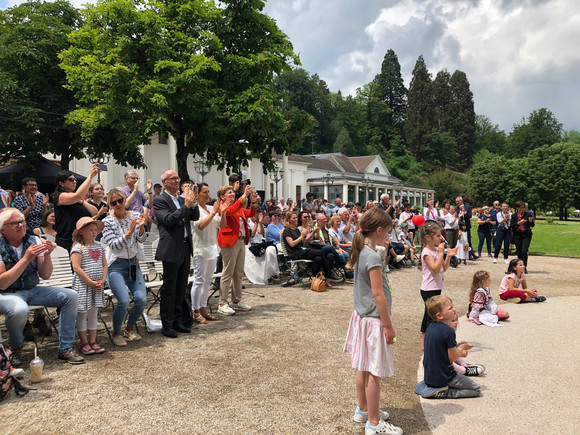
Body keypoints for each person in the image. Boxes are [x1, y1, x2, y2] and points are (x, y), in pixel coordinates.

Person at [342, 208, 403, 435]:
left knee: (362, 368)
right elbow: (378, 294)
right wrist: (388, 325)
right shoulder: (372, 256)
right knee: (374, 372)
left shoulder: (362, 251)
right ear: (379, 230)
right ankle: (374, 423)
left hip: (361, 318)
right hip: (373, 321)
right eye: (387, 232)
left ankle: (363, 409)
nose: (388, 236)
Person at [0, 208, 84, 364]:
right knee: (19, 309)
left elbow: (45, 275)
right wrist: (26, 259)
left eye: (22, 221)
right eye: (15, 223)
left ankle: (65, 348)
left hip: (32, 290)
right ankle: (14, 347)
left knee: (70, 296)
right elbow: (3, 283)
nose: (21, 225)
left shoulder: (34, 240)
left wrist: (47, 255)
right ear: (3, 229)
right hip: (7, 293)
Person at [153, 170, 199, 337]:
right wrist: (186, 206)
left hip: (185, 247)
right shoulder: (160, 201)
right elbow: (168, 220)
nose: (176, 181)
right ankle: (168, 324)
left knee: (181, 287)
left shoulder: (181, 199)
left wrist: (192, 203)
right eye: (172, 178)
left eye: (177, 178)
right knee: (169, 289)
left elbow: (194, 216)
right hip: (171, 248)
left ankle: (179, 321)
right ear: (164, 182)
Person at [102, 188, 149, 345]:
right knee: (123, 300)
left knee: (141, 299)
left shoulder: (135, 216)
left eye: (120, 200)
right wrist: (129, 232)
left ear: (125, 200)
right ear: (110, 204)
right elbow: (114, 246)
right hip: (115, 265)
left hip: (133, 263)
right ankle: (116, 333)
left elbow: (141, 240)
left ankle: (129, 329)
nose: (118, 204)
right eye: (114, 202)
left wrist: (141, 227)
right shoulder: (107, 222)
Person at [421, 295, 482, 398]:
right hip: (445, 376)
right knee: (476, 389)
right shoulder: (448, 331)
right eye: (450, 308)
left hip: (429, 376)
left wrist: (456, 346)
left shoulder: (430, 327)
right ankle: (446, 393)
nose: (454, 309)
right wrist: (462, 348)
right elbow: (453, 357)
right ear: (439, 316)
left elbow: (440, 350)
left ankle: (438, 388)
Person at [216, 184, 258, 316]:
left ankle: (237, 300)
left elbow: (251, 213)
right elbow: (230, 211)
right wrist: (244, 195)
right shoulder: (223, 207)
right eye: (229, 193)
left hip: (240, 241)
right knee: (227, 272)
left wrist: (253, 201)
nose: (232, 194)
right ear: (222, 196)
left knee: (238, 273)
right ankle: (222, 303)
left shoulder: (238, 208)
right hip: (229, 242)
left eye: (233, 193)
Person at [190, 183, 227, 324]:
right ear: (197, 194)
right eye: (204, 192)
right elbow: (200, 226)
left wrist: (222, 212)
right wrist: (214, 212)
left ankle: (203, 307)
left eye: (208, 191)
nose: (207, 195)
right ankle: (195, 310)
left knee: (207, 280)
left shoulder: (212, 208)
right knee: (198, 280)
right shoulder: (194, 209)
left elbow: (222, 225)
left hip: (212, 247)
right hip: (200, 248)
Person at [70, 217, 107, 355]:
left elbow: (104, 264)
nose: (94, 232)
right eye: (90, 230)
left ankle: (93, 340)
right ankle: (84, 342)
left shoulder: (99, 246)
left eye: (95, 230)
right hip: (83, 285)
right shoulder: (78, 248)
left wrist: (103, 279)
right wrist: (89, 282)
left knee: (93, 312)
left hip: (97, 285)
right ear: (81, 232)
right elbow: (77, 268)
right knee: (82, 313)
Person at [419, 221, 459, 348]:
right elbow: (435, 269)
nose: (440, 238)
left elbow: (443, 269)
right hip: (429, 288)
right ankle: (428, 342)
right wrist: (442, 253)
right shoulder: (426, 253)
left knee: (430, 315)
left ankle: (427, 342)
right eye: (437, 235)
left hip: (436, 287)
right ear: (428, 238)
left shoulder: (436, 250)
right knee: (431, 317)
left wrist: (447, 256)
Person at [282, 211, 342, 285]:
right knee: (321, 252)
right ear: (289, 220)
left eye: (296, 217)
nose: (296, 219)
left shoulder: (296, 230)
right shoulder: (287, 231)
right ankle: (328, 274)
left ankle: (315, 279)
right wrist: (302, 236)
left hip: (302, 250)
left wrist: (306, 235)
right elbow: (291, 244)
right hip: (295, 254)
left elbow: (303, 243)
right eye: (294, 218)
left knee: (318, 258)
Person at [53, 164, 100, 252]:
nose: (74, 182)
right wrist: (90, 177)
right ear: (61, 183)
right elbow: (77, 196)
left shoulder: (79, 200)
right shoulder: (59, 196)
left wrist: (82, 202)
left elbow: (95, 212)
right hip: (67, 240)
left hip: (82, 239)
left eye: (75, 179)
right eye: (70, 180)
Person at [245, 212, 280, 285]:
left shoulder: (257, 223)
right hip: (252, 245)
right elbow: (252, 234)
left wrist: (260, 223)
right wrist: (255, 223)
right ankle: (267, 276)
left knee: (271, 249)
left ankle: (271, 272)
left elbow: (261, 232)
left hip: (261, 243)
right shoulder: (248, 223)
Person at [511, 201, 534, 270]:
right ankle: (519, 266)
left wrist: (530, 221)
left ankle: (524, 266)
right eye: (521, 208)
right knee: (519, 251)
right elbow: (512, 226)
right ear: (517, 208)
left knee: (524, 250)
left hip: (526, 235)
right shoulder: (514, 216)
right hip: (517, 235)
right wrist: (518, 223)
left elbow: (532, 225)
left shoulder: (527, 215)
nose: (522, 209)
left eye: (523, 208)